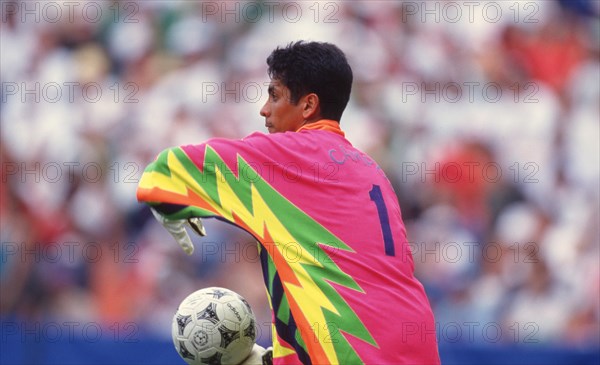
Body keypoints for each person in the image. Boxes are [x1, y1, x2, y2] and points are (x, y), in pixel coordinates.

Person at [137, 41, 440, 365]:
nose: (264, 109)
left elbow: (162, 175)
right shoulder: (370, 170)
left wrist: (168, 207)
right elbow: (325, 272)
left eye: (275, 95)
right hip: (416, 345)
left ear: (308, 105)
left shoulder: (289, 157)